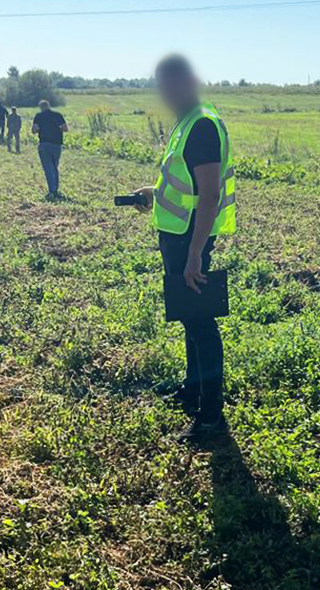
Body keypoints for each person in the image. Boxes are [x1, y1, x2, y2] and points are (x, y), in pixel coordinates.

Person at [133, 55, 236, 442]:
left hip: (189, 240)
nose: (166, 93)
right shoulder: (187, 122)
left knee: (200, 323)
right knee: (188, 317)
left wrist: (195, 254)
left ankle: (210, 416)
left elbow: (209, 195)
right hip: (177, 236)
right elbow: (185, 184)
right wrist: (152, 193)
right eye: (161, 86)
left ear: (188, 83)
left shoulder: (202, 126)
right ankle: (192, 389)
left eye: (171, 85)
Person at [31, 99, 68, 197]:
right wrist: (57, 129)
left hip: (44, 144)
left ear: (41, 107)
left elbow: (34, 130)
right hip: (56, 144)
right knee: (54, 167)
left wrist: (41, 129)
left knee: (48, 168)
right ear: (48, 106)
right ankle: (55, 188)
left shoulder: (38, 116)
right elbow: (65, 128)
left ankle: (52, 191)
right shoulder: (57, 115)